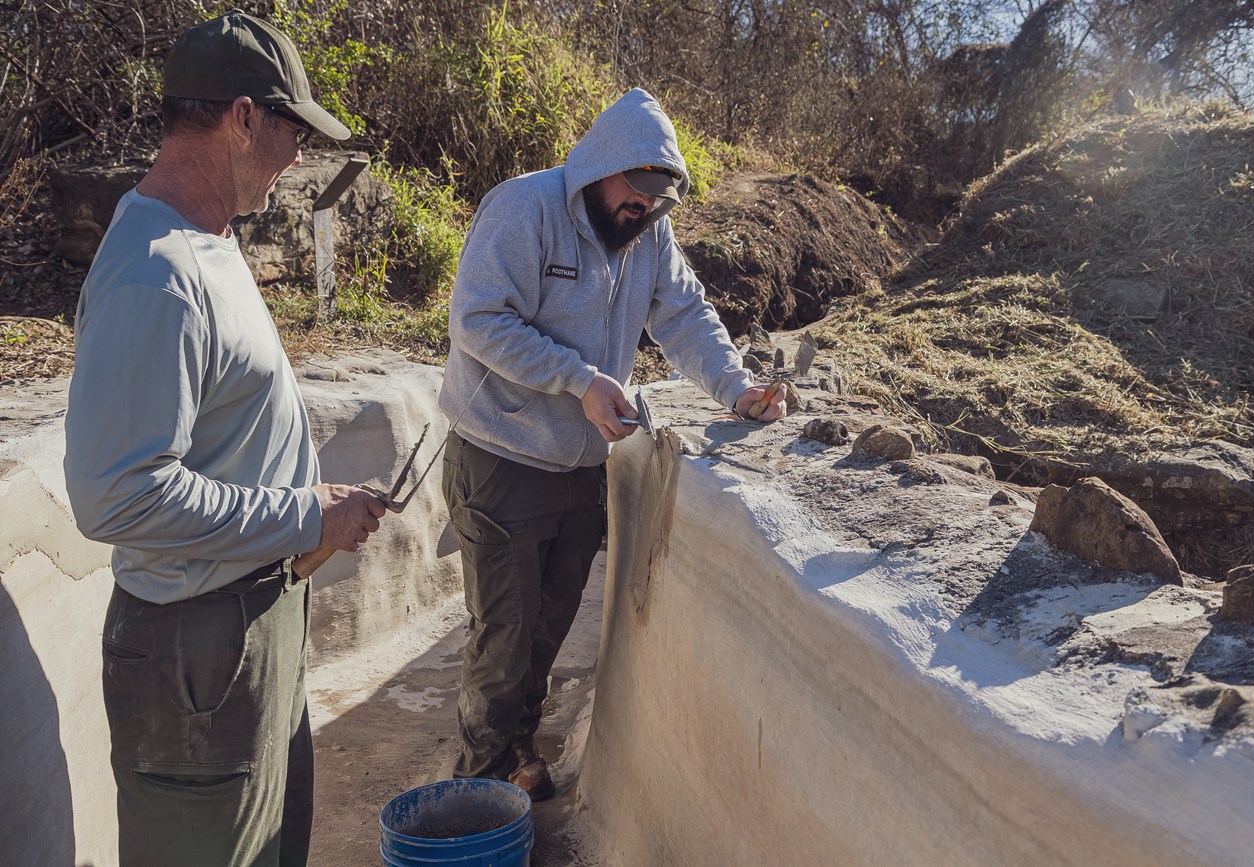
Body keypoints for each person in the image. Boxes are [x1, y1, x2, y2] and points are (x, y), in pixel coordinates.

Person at [62, 12, 386, 867]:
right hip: (192, 654)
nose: (297, 159)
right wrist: (300, 516)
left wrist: (305, 525)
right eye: (290, 132)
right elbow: (118, 493)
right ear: (244, 118)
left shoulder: (208, 240)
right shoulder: (154, 274)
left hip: (243, 629)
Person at [439, 87, 786, 801]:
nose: (647, 207)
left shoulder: (648, 233)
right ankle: (476, 790)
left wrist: (737, 389)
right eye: (638, 191)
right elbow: (478, 319)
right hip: (502, 460)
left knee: (544, 635)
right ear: (602, 166)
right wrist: (580, 379)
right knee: (503, 642)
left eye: (661, 198)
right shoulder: (524, 209)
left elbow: (686, 314)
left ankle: (512, 757)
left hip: (578, 467)